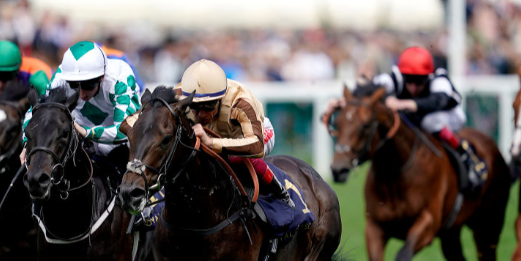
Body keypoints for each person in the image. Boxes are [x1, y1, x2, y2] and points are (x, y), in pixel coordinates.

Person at [325, 46, 487, 192]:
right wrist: (343, 102)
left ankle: (467, 156)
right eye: (409, 80)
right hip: (418, 115)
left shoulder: (439, 79)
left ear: (428, 76)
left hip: (448, 115)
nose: (413, 87)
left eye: (419, 81)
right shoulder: (397, 77)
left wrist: (403, 103)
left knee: (430, 122)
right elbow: (368, 90)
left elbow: (439, 101)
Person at [177, 59, 294, 208]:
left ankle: (280, 193)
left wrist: (212, 143)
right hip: (215, 135)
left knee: (236, 158)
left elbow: (256, 146)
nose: (201, 114)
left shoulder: (240, 101)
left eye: (209, 106)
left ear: (221, 98)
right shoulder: (179, 95)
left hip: (255, 135)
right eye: (194, 106)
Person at [22, 40, 141, 175]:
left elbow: (126, 130)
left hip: (118, 142)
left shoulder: (120, 78)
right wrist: (27, 143)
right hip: (80, 138)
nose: (82, 94)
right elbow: (36, 112)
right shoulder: (62, 76)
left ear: (102, 77)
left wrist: (87, 132)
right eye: (75, 86)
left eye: (88, 84)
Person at [0, 40, 51, 168]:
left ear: (16, 71)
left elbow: (49, 111)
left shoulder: (37, 78)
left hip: (42, 101)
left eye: (5, 77)